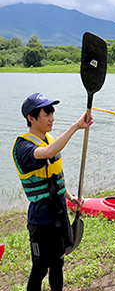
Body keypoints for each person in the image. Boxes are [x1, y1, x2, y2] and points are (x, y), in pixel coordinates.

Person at [12, 93, 90, 291]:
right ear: (31, 118)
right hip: (40, 218)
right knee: (39, 267)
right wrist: (75, 127)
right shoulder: (23, 146)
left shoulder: (49, 139)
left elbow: (54, 179)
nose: (52, 118)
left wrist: (70, 197)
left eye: (52, 113)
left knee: (58, 263)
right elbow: (45, 154)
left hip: (59, 212)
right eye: (46, 113)